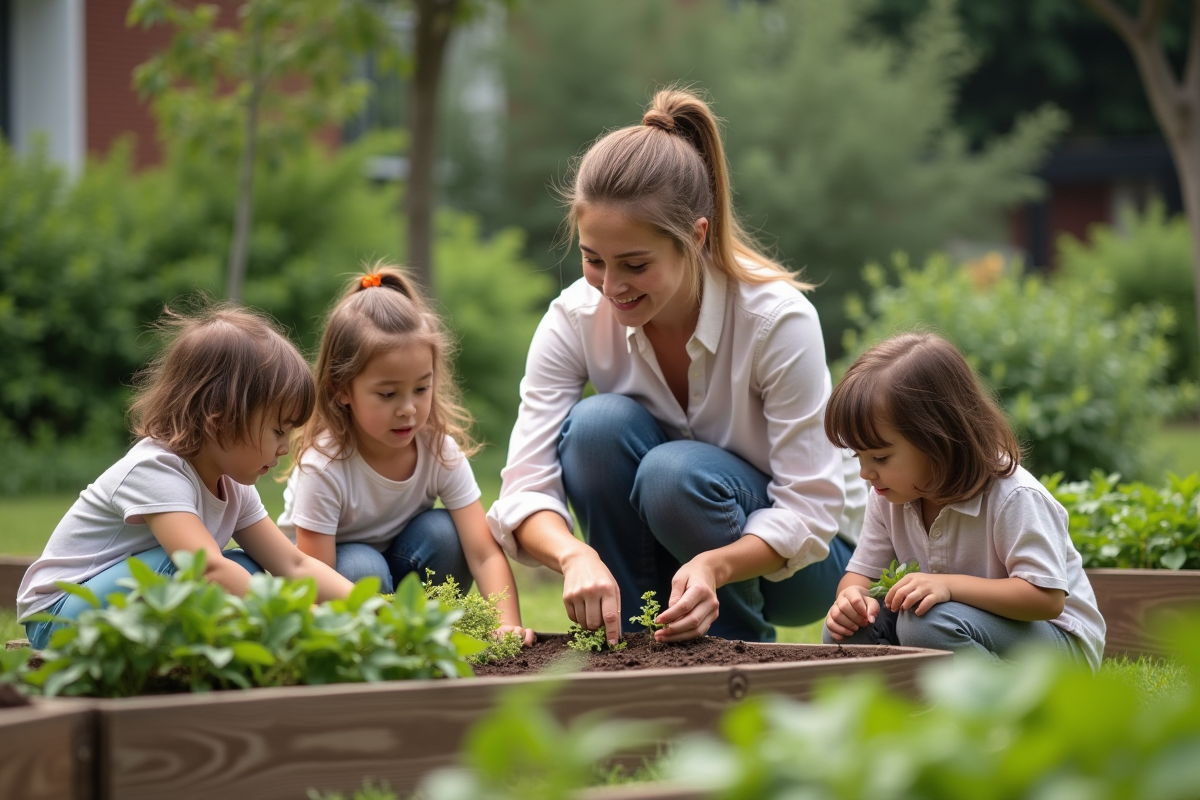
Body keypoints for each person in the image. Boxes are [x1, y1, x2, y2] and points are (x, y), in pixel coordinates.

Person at [486, 87, 867, 644]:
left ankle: (734, 662)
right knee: (597, 429)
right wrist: (573, 555)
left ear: (696, 236)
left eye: (634, 265)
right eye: (593, 260)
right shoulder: (574, 317)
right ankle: (638, 647)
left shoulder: (777, 321)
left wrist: (714, 565)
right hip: (670, 538)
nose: (610, 288)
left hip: (809, 565)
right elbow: (523, 486)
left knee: (673, 475)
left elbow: (810, 510)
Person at [17, 305, 355, 649]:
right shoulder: (155, 469)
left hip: (125, 598)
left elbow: (294, 563)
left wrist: (366, 608)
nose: (285, 447)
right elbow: (205, 569)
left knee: (245, 565)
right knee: (193, 567)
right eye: (278, 430)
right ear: (218, 419)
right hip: (60, 615)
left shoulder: (234, 484)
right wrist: (307, 617)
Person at [278, 266, 533, 645]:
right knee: (364, 565)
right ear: (341, 389)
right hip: (338, 582)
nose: (408, 409)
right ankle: (375, 645)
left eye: (421, 388)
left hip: (405, 563)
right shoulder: (325, 466)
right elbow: (314, 576)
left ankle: (421, 637)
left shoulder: (437, 450)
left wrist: (507, 624)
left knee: (447, 534)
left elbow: (484, 553)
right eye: (388, 394)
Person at [821, 331, 1106, 670]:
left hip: (1055, 648)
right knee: (842, 632)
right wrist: (850, 599)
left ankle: (1018, 704)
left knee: (926, 623)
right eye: (858, 457)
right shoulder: (889, 496)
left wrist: (948, 586)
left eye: (880, 458)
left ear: (937, 439)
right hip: (960, 628)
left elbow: (1045, 600)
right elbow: (859, 577)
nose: (866, 473)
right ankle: (908, 707)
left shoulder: (1012, 496)